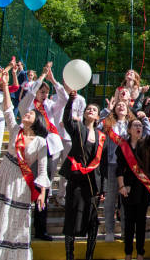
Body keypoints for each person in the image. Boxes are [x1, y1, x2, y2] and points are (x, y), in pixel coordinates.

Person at [0, 68, 49, 260]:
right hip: (5, 173)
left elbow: (42, 171)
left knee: (16, 216)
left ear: (36, 120)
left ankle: (13, 253)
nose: (26, 115)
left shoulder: (41, 142)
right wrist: (6, 86)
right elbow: (7, 109)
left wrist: (42, 193)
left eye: (30, 115)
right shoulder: (16, 130)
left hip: (21, 182)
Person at [18, 61, 67, 241]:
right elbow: (28, 96)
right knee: (25, 188)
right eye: (41, 91)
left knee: (43, 188)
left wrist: (53, 80)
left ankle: (40, 228)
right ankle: (21, 228)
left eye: (46, 92)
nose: (44, 94)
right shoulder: (28, 108)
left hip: (49, 148)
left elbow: (64, 98)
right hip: (30, 149)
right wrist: (39, 79)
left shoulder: (51, 106)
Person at [61, 91, 108, 260]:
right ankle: (69, 255)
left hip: (93, 184)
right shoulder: (77, 128)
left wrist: (103, 188)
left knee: (93, 221)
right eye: (88, 109)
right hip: (76, 181)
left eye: (94, 110)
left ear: (97, 118)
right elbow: (66, 120)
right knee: (71, 217)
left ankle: (89, 256)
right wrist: (70, 101)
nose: (90, 111)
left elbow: (103, 166)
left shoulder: (102, 137)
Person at [116, 117, 150, 260]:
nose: (138, 127)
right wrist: (121, 186)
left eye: (140, 125)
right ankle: (128, 253)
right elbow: (119, 168)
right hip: (127, 188)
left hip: (143, 188)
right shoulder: (123, 146)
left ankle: (140, 253)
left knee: (141, 222)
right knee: (128, 223)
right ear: (129, 130)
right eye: (135, 125)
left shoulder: (145, 143)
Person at [101, 100, 141, 242]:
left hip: (127, 166)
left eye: (123, 105)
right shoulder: (108, 123)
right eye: (118, 105)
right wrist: (107, 110)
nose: (121, 106)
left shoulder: (132, 124)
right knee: (110, 199)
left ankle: (126, 231)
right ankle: (110, 231)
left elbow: (142, 135)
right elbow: (98, 126)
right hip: (112, 164)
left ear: (128, 109)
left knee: (126, 200)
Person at [56, 85, 86, 206]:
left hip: (69, 138)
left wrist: (71, 119)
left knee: (66, 167)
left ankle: (61, 195)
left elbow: (81, 118)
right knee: (51, 168)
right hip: (55, 136)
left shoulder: (81, 99)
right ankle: (45, 194)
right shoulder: (57, 97)